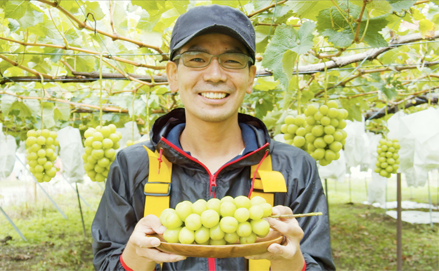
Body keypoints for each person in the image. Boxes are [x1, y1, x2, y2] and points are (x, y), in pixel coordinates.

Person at [91, 5, 335, 271]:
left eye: (232, 60)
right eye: (197, 59)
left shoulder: (296, 167)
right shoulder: (131, 166)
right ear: (173, 75)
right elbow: (107, 262)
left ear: (251, 77)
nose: (215, 75)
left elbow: (317, 264)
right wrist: (137, 256)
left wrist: (291, 262)